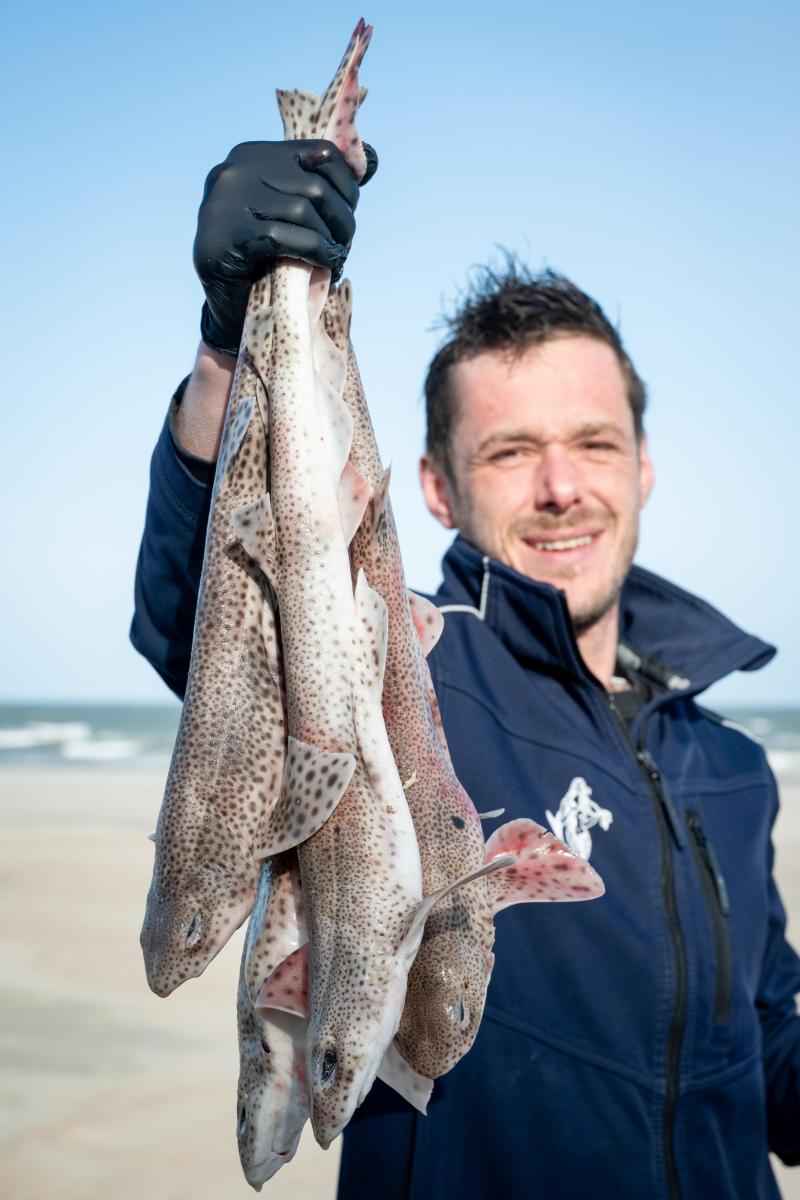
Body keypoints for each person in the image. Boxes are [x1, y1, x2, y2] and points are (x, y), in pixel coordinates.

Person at [131, 141, 800, 1199]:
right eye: (507, 452)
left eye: (592, 444)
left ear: (642, 467)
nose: (557, 487)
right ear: (433, 486)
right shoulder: (413, 673)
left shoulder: (727, 764)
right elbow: (214, 633)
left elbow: (767, 1055)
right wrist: (227, 348)